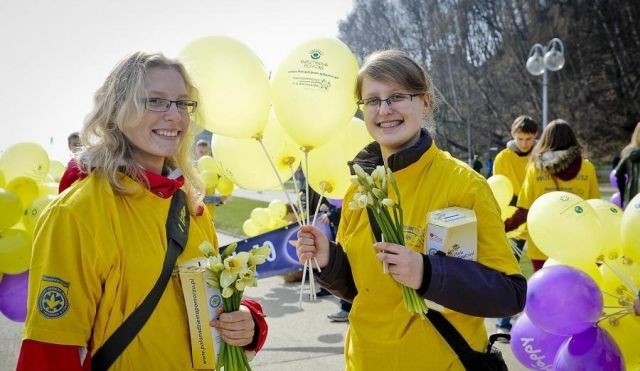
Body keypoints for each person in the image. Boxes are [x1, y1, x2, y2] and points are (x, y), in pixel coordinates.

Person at [17, 52, 267, 370]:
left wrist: (247, 321)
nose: (174, 115)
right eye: (156, 101)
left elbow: (208, 303)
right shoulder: (76, 214)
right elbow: (49, 353)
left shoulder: (190, 205)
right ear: (117, 110)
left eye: (182, 103)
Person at [294, 50, 525, 370]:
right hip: (364, 361)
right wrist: (328, 260)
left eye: (397, 96)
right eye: (372, 100)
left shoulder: (464, 185)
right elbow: (361, 290)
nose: (384, 109)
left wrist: (427, 272)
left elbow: (508, 294)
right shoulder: (357, 191)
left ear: (426, 102)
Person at [505, 119, 601, 270]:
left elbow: (524, 210)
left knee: (546, 288)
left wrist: (504, 226)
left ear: (545, 140)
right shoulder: (587, 168)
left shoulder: (535, 169)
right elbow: (596, 207)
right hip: (577, 241)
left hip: (542, 241)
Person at [492, 115, 539, 335]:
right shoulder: (503, 157)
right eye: (520, 138)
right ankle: (503, 320)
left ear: (535, 137)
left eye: (528, 139)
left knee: (544, 269)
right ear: (513, 136)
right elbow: (501, 188)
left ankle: (542, 319)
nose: (524, 143)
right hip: (513, 221)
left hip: (539, 218)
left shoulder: (540, 156)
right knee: (510, 269)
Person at [614, 121, 640, 208]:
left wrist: (622, 196)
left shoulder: (627, 151)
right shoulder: (629, 152)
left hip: (631, 195)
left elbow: (618, 173)